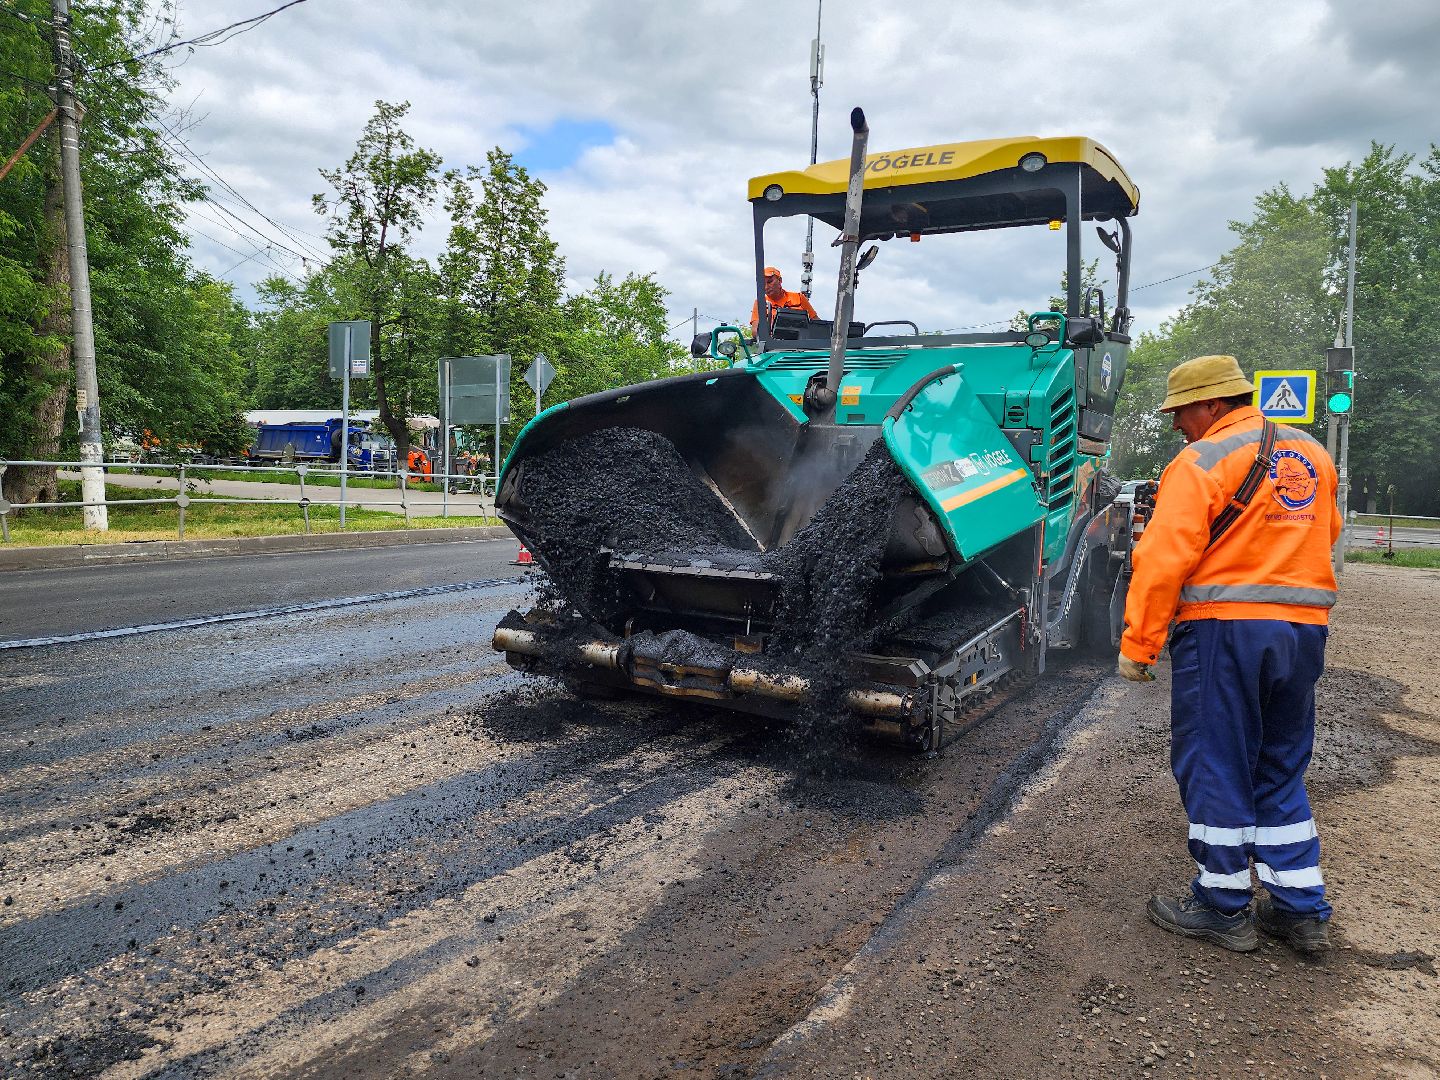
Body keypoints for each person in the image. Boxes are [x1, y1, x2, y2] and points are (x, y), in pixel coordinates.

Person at [1118, 354, 1340, 956]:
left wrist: (1140, 643)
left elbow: (1164, 559)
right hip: (1303, 630)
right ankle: (1300, 908)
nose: (1175, 425)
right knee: (1279, 760)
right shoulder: (1314, 455)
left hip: (1225, 630)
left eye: (1181, 411)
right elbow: (1329, 533)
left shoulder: (1199, 461)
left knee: (1214, 758)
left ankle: (1222, 905)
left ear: (1213, 404)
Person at [749, 266, 818, 335]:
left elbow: (817, 323)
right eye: (763, 284)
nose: (766, 287)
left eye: (770, 282)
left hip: (800, 344)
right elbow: (755, 331)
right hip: (773, 344)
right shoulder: (760, 303)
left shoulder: (799, 298)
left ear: (780, 280)